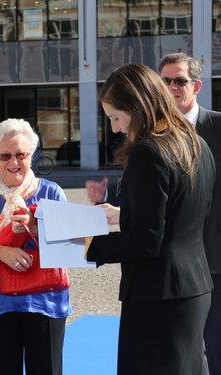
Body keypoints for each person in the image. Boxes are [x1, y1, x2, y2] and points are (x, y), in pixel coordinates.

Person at [86, 63, 215, 374]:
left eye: (116, 117)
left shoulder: (149, 152)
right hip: (192, 287)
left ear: (138, 106)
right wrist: (123, 214)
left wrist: (85, 243)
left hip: (158, 295)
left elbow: (144, 242)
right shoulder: (195, 142)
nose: (115, 127)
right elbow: (180, 215)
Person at [0, 118, 72, 375]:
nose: (13, 162)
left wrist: (35, 228)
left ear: (32, 154)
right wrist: (1, 251)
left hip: (47, 302)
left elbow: (70, 248)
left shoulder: (52, 193)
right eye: (5, 155)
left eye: (21, 154)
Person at [159, 52, 221, 375]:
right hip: (173, 268)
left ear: (196, 86)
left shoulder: (219, 127)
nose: (171, 87)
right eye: (165, 81)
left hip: (216, 262)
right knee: (183, 354)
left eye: (179, 81)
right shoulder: (154, 136)